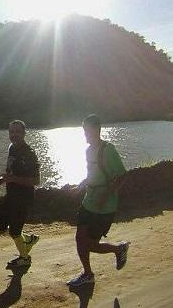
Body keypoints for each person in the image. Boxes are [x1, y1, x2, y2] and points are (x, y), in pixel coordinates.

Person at [67, 114, 130, 287]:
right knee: (80, 238)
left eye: (87, 130)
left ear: (96, 130)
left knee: (89, 244)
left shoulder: (108, 150)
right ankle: (88, 274)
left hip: (104, 206)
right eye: (84, 130)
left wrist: (106, 196)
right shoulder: (88, 151)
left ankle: (119, 249)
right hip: (89, 201)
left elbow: (122, 175)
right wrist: (80, 186)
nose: (85, 134)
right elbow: (91, 175)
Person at [0, 120, 41, 268]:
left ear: (24, 133)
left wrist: (12, 179)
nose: (14, 135)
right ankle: (27, 239)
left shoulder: (29, 154)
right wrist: (3, 179)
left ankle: (24, 258)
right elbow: (10, 170)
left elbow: (36, 180)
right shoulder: (12, 148)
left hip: (24, 198)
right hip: (11, 195)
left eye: (17, 132)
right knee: (0, 227)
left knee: (14, 231)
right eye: (11, 132)